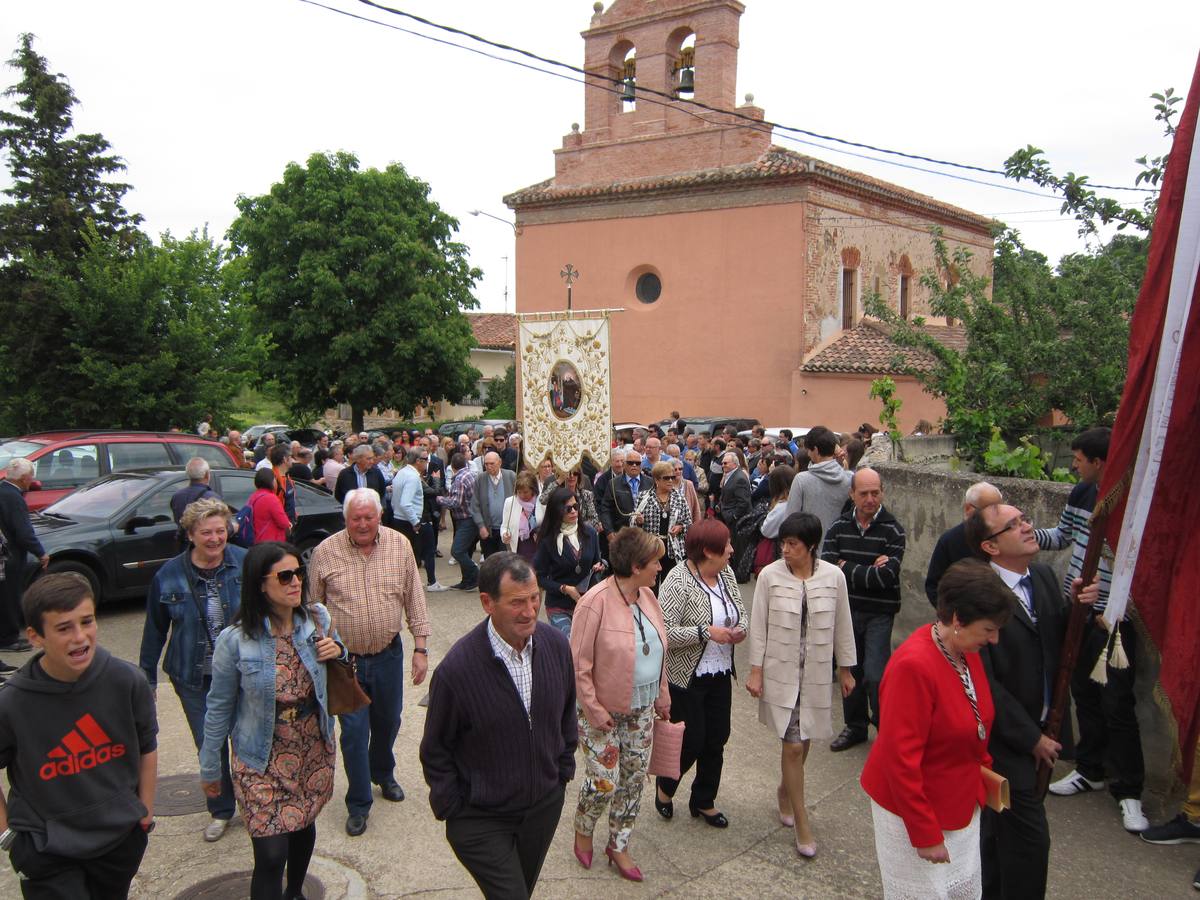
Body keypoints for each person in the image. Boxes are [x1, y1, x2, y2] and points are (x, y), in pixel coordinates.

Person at [420, 553, 577, 899]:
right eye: (517, 602)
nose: (530, 611)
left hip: (542, 808)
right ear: (487, 603)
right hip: (482, 819)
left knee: (520, 889)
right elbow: (435, 749)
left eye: (534, 598)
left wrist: (561, 772)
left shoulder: (555, 647)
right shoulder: (457, 671)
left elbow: (566, 713)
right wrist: (454, 809)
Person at [201, 542, 345, 900]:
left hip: (312, 746)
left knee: (302, 827)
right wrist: (209, 767)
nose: (296, 582)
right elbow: (218, 706)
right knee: (270, 854)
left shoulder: (318, 619)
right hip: (260, 755)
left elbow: (340, 664)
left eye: (299, 573)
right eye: (285, 576)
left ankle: (295, 892)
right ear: (260, 584)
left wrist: (338, 652)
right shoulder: (235, 641)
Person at [860, 559, 1011, 898]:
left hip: (959, 805)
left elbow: (975, 722)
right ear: (958, 619)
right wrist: (925, 833)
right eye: (989, 629)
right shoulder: (914, 667)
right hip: (914, 813)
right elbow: (899, 759)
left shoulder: (964, 649)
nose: (995, 639)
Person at [0, 572, 157, 899]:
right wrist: (7, 837)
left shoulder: (127, 680)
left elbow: (147, 746)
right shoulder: (12, 701)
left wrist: (144, 811)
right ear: (35, 636)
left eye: (87, 621)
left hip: (118, 840)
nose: (80, 636)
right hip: (47, 848)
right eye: (64, 628)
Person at [966, 502, 1094, 900]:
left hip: (1044, 729)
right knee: (1030, 845)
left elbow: (1055, 646)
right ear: (990, 546)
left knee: (997, 836)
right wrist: (1029, 738)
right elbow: (985, 681)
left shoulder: (1043, 576)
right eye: (1014, 524)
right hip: (1006, 741)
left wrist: (1077, 609)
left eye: (1024, 520)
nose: (1027, 527)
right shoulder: (979, 592)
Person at [1038, 428, 1148, 832]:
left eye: (1080, 459)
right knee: (1081, 692)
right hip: (1077, 615)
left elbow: (1145, 566)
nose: (1074, 465)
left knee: (1117, 702)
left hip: (1113, 619)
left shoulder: (1133, 505)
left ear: (1100, 462)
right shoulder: (1083, 495)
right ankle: (1090, 768)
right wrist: (1024, 534)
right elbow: (1063, 536)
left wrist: (1114, 591)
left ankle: (1130, 789)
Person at [308, 489, 430, 837]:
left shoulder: (399, 545)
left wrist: (421, 649)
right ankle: (359, 802)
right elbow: (313, 607)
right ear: (345, 519)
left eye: (369, 517)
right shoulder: (325, 552)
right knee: (354, 733)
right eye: (355, 518)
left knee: (388, 721)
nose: (362, 524)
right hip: (346, 663)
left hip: (388, 654)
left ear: (380, 515)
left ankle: (383, 773)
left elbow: (414, 598)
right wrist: (323, 645)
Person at [748, 512, 856, 857]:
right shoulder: (769, 576)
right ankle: (802, 817)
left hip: (816, 673)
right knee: (792, 745)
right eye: (783, 543)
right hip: (782, 672)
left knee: (804, 738)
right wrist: (756, 671)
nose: (785, 550)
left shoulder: (834, 577)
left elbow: (843, 624)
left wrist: (846, 670)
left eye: (792, 544)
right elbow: (760, 624)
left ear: (810, 545)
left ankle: (785, 788)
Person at [139, 496, 245, 842]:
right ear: (190, 535)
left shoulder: (245, 564)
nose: (215, 539)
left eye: (220, 531)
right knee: (209, 746)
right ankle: (221, 810)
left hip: (242, 673)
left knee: (247, 741)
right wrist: (146, 680)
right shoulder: (167, 576)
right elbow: (154, 631)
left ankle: (255, 802)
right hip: (193, 677)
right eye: (206, 533)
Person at [570, 527, 670, 882]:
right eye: (655, 562)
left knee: (633, 780)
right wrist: (594, 709)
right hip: (601, 712)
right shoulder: (593, 602)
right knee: (604, 780)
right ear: (636, 565)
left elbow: (659, 650)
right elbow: (579, 665)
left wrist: (662, 695)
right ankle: (584, 828)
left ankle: (619, 844)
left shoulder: (648, 596)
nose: (660, 567)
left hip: (641, 708)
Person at [653, 519, 746, 828]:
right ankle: (666, 788)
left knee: (717, 737)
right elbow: (663, 632)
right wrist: (705, 632)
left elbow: (740, 612)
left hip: (719, 671)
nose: (732, 551)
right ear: (708, 551)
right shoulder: (677, 581)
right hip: (686, 676)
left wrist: (740, 629)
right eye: (726, 546)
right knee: (691, 739)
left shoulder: (727, 574)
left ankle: (704, 800)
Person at [821, 468, 906, 752]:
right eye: (864, 493)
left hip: (879, 614)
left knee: (876, 674)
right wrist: (865, 570)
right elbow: (829, 570)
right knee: (850, 670)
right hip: (845, 612)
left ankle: (887, 729)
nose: (870, 499)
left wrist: (848, 567)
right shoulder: (838, 527)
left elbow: (885, 578)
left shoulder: (894, 530)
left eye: (875, 492)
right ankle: (855, 726)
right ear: (852, 495)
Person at [534, 487, 603, 637]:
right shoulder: (547, 540)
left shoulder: (590, 533)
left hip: (587, 604)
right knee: (569, 646)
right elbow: (539, 577)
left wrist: (599, 566)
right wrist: (564, 588)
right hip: (559, 606)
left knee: (586, 649)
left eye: (576, 506)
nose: (573, 511)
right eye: (568, 508)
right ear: (557, 511)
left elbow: (597, 561)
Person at [924, 481, 1004, 607]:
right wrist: (953, 617)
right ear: (968, 509)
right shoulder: (950, 540)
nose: (995, 517)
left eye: (998, 510)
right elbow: (934, 586)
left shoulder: (1006, 536)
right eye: (988, 510)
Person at [0, 459, 47, 658]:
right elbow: (23, 531)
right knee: (9, 596)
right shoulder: (14, 497)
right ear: (23, 478)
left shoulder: (2, 490)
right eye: (31, 476)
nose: (33, 480)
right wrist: (40, 552)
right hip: (10, 556)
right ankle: (8, 638)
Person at [631, 461, 692, 586]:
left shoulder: (679, 498)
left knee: (670, 585)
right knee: (649, 586)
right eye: (666, 478)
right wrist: (638, 521)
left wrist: (680, 527)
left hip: (672, 550)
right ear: (657, 480)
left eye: (672, 477)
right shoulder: (644, 497)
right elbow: (632, 523)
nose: (671, 480)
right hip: (650, 549)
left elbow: (689, 522)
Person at [784, 426, 853, 535]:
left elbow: (790, 519)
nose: (808, 454)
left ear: (815, 450)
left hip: (810, 547)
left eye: (809, 450)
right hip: (839, 545)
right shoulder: (850, 478)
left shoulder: (801, 480)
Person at [438, 452, 479, 591]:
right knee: (465, 550)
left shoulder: (459, 479)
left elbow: (455, 502)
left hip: (466, 519)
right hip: (472, 517)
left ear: (452, 466)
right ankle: (467, 580)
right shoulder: (472, 474)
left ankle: (477, 574)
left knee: (457, 551)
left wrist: (440, 499)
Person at [470, 451, 516, 560]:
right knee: (490, 561)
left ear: (499, 462)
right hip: (488, 529)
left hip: (506, 529)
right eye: (486, 464)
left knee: (505, 561)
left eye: (492, 464)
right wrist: (481, 526)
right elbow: (475, 505)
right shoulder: (480, 479)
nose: (489, 467)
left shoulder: (510, 476)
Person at [390, 447, 425, 557]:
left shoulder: (401, 472)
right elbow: (405, 503)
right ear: (418, 461)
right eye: (425, 459)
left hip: (399, 519)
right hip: (408, 523)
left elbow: (394, 500)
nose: (427, 461)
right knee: (411, 559)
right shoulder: (413, 477)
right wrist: (415, 522)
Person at [170, 456, 218, 534]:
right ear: (206, 475)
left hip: (185, 542)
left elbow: (177, 520)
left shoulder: (177, 496)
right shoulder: (212, 498)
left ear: (188, 474)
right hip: (205, 542)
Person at [501, 470, 540, 561]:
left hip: (538, 548)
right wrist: (504, 535)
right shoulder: (510, 502)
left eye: (525, 492)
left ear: (533, 490)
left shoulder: (540, 502)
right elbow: (504, 526)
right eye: (519, 492)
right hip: (518, 549)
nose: (522, 495)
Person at [248, 467, 292, 544]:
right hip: (271, 542)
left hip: (257, 541)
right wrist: (289, 524)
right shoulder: (271, 498)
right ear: (271, 481)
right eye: (274, 478)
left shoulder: (254, 496)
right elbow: (283, 523)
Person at [334, 445, 386, 509]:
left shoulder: (376, 473)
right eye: (368, 459)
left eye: (372, 458)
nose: (372, 461)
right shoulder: (345, 474)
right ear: (358, 459)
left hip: (371, 512)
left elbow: (381, 492)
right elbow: (338, 495)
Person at [716, 451, 751, 530]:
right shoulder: (729, 474)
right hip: (726, 517)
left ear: (735, 464)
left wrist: (733, 516)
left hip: (736, 522)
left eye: (725, 463)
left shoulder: (740, 479)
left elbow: (744, 502)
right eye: (722, 463)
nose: (723, 466)